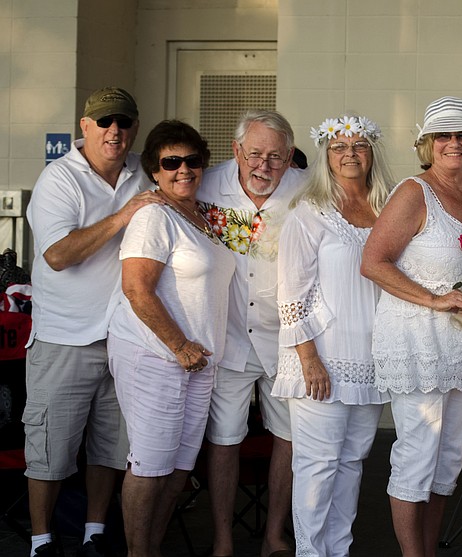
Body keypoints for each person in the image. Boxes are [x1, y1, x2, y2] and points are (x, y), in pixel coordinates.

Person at [23, 87, 160, 557]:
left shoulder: (144, 170)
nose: (113, 131)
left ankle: (94, 533)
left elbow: (191, 178)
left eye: (123, 121)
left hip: (125, 338)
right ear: (85, 127)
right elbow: (58, 255)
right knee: (50, 449)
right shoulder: (59, 178)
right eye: (104, 122)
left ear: (135, 126)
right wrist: (124, 216)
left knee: (112, 447)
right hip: (65, 338)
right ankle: (41, 541)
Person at [361, 96, 462, 557]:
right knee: (418, 456)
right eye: (443, 135)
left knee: (448, 462)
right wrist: (435, 299)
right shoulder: (413, 192)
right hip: (416, 343)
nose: (453, 143)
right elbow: (373, 262)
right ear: (428, 144)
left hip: (461, 349)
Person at [107, 120, 235, 557]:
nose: (183, 169)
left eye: (192, 160)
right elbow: (136, 289)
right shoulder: (153, 216)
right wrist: (178, 345)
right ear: (154, 171)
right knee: (151, 464)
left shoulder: (204, 217)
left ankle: (153, 548)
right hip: (156, 356)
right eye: (171, 162)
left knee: (179, 467)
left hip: (199, 360)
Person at [272, 113, 393, 556]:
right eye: (339, 146)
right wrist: (309, 360)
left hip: (369, 359)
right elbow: (290, 293)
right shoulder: (310, 212)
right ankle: (309, 551)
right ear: (326, 154)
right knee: (317, 465)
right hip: (321, 356)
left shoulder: (387, 209)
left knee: (352, 463)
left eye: (359, 145)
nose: (349, 154)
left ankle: (337, 550)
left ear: (371, 152)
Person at [197, 110, 305, 557]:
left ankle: (274, 535)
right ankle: (222, 539)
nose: (264, 166)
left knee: (289, 439)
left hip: (286, 339)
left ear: (290, 157)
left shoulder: (307, 189)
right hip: (228, 337)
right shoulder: (205, 185)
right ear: (237, 150)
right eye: (255, 154)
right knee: (224, 439)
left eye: (276, 157)